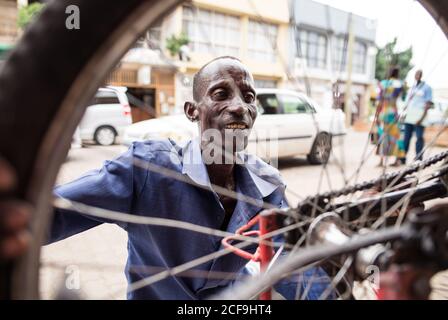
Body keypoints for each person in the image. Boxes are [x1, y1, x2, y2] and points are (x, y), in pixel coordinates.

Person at [0, 56, 331, 300]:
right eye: (220, 94)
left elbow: (287, 263)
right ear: (192, 111)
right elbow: (52, 213)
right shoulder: (147, 168)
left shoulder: (267, 185)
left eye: (248, 97)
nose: (240, 107)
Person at [375, 67, 406, 167]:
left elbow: (379, 101)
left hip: (384, 113)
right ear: (397, 74)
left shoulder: (383, 84)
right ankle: (397, 160)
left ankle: (381, 161)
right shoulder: (399, 84)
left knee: (383, 136)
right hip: (393, 112)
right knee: (396, 136)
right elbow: (401, 98)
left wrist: (377, 114)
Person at [401, 69, 433, 162]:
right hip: (410, 116)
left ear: (421, 75)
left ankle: (418, 158)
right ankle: (402, 157)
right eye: (416, 74)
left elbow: (428, 104)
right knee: (406, 137)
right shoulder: (412, 88)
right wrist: (404, 114)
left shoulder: (427, 88)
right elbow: (407, 102)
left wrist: (421, 118)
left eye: (419, 74)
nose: (417, 75)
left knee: (419, 137)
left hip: (420, 117)